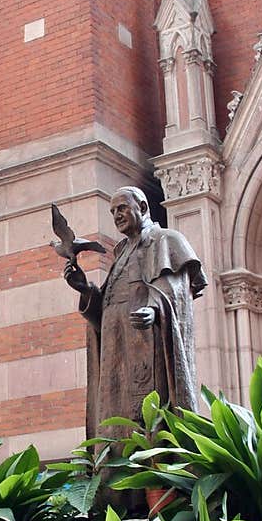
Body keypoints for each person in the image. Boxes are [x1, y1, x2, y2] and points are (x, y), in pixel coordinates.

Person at [62, 186, 206, 441]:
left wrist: (155, 309)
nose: (116, 215)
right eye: (112, 211)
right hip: (116, 349)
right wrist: (85, 289)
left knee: (148, 417)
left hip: (148, 345)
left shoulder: (167, 240)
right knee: (114, 418)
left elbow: (177, 292)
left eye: (122, 208)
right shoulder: (121, 252)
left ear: (142, 207)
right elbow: (107, 307)